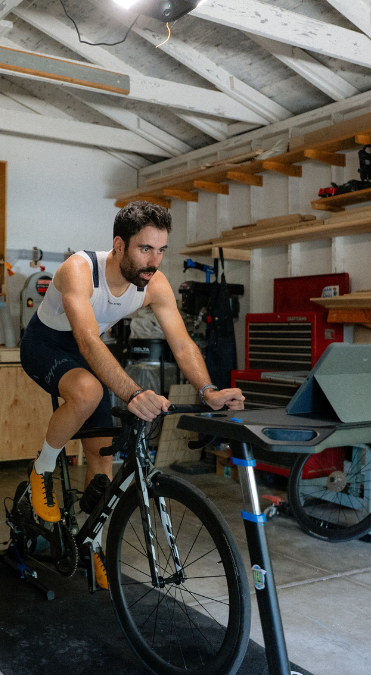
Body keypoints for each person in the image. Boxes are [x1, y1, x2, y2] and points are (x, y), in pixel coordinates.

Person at [19, 201, 245, 586]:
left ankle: (94, 549)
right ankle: (41, 471)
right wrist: (133, 392)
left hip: (90, 353)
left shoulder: (154, 283)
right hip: (47, 347)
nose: (154, 261)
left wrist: (207, 389)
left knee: (102, 458)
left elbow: (183, 343)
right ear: (119, 245)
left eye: (161, 251)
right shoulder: (79, 270)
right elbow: (88, 341)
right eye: (145, 249)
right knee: (89, 389)